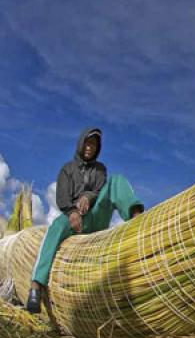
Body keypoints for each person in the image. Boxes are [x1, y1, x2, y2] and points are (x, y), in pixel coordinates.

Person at [27, 127, 144, 314]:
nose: (90, 147)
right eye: (88, 143)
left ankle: (137, 217)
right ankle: (36, 285)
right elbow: (62, 197)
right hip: (74, 220)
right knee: (56, 226)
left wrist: (87, 197)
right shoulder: (67, 169)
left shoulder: (100, 169)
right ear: (81, 144)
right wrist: (72, 211)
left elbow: (99, 190)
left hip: (95, 216)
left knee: (116, 180)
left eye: (94, 144)